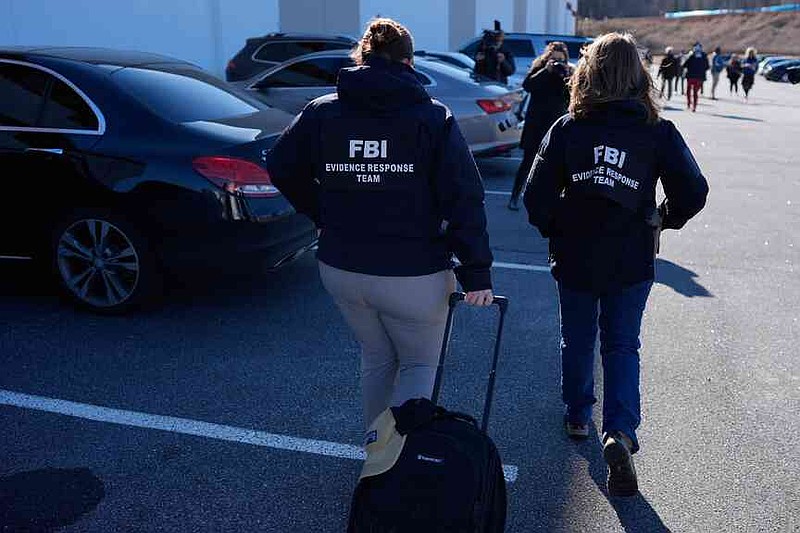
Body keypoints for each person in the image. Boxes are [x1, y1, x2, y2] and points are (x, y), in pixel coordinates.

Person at [265, 18, 495, 429]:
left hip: (342, 267)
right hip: (413, 271)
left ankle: (376, 456)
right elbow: (464, 197)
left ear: (362, 57)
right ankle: (399, 474)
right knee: (419, 364)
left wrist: (322, 214)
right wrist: (476, 273)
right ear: (408, 62)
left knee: (376, 359)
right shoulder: (431, 117)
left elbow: (282, 165)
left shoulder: (323, 112)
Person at [523, 33, 708, 497]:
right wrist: (664, 219)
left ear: (588, 74)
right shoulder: (656, 131)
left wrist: (557, 228)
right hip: (630, 255)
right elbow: (694, 190)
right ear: (639, 76)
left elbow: (535, 198)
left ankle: (577, 414)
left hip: (576, 254)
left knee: (578, 336)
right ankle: (620, 432)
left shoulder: (568, 128)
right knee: (622, 344)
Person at [508, 42, 571, 211]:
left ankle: (551, 202)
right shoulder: (539, 68)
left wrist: (568, 75)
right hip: (536, 124)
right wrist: (546, 70)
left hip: (557, 125)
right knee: (527, 162)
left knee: (558, 166)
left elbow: (573, 94)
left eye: (560, 59)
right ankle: (515, 197)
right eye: (554, 59)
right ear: (547, 58)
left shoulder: (568, 71)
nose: (557, 62)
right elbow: (528, 85)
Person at [684, 42, 709, 112]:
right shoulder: (703, 55)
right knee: (694, 92)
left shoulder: (691, 55)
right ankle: (693, 106)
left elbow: (684, 65)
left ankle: (689, 104)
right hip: (699, 77)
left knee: (689, 91)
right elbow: (707, 67)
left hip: (691, 77)